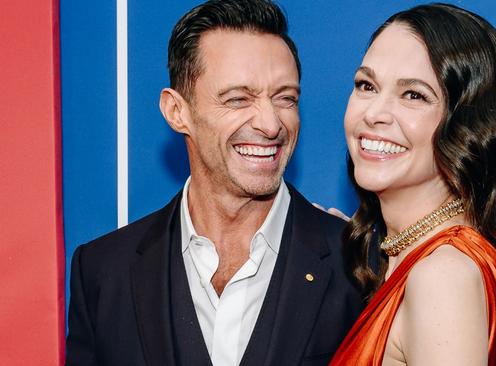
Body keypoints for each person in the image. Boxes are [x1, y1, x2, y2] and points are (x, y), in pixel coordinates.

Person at [65, 1, 365, 365]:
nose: (271, 125)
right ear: (177, 112)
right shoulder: (103, 271)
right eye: (238, 99)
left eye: (285, 98)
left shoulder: (359, 263)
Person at [330, 3, 496, 365]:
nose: (373, 113)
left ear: (467, 125)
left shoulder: (442, 277)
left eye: (413, 94)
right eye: (366, 85)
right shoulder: (405, 257)